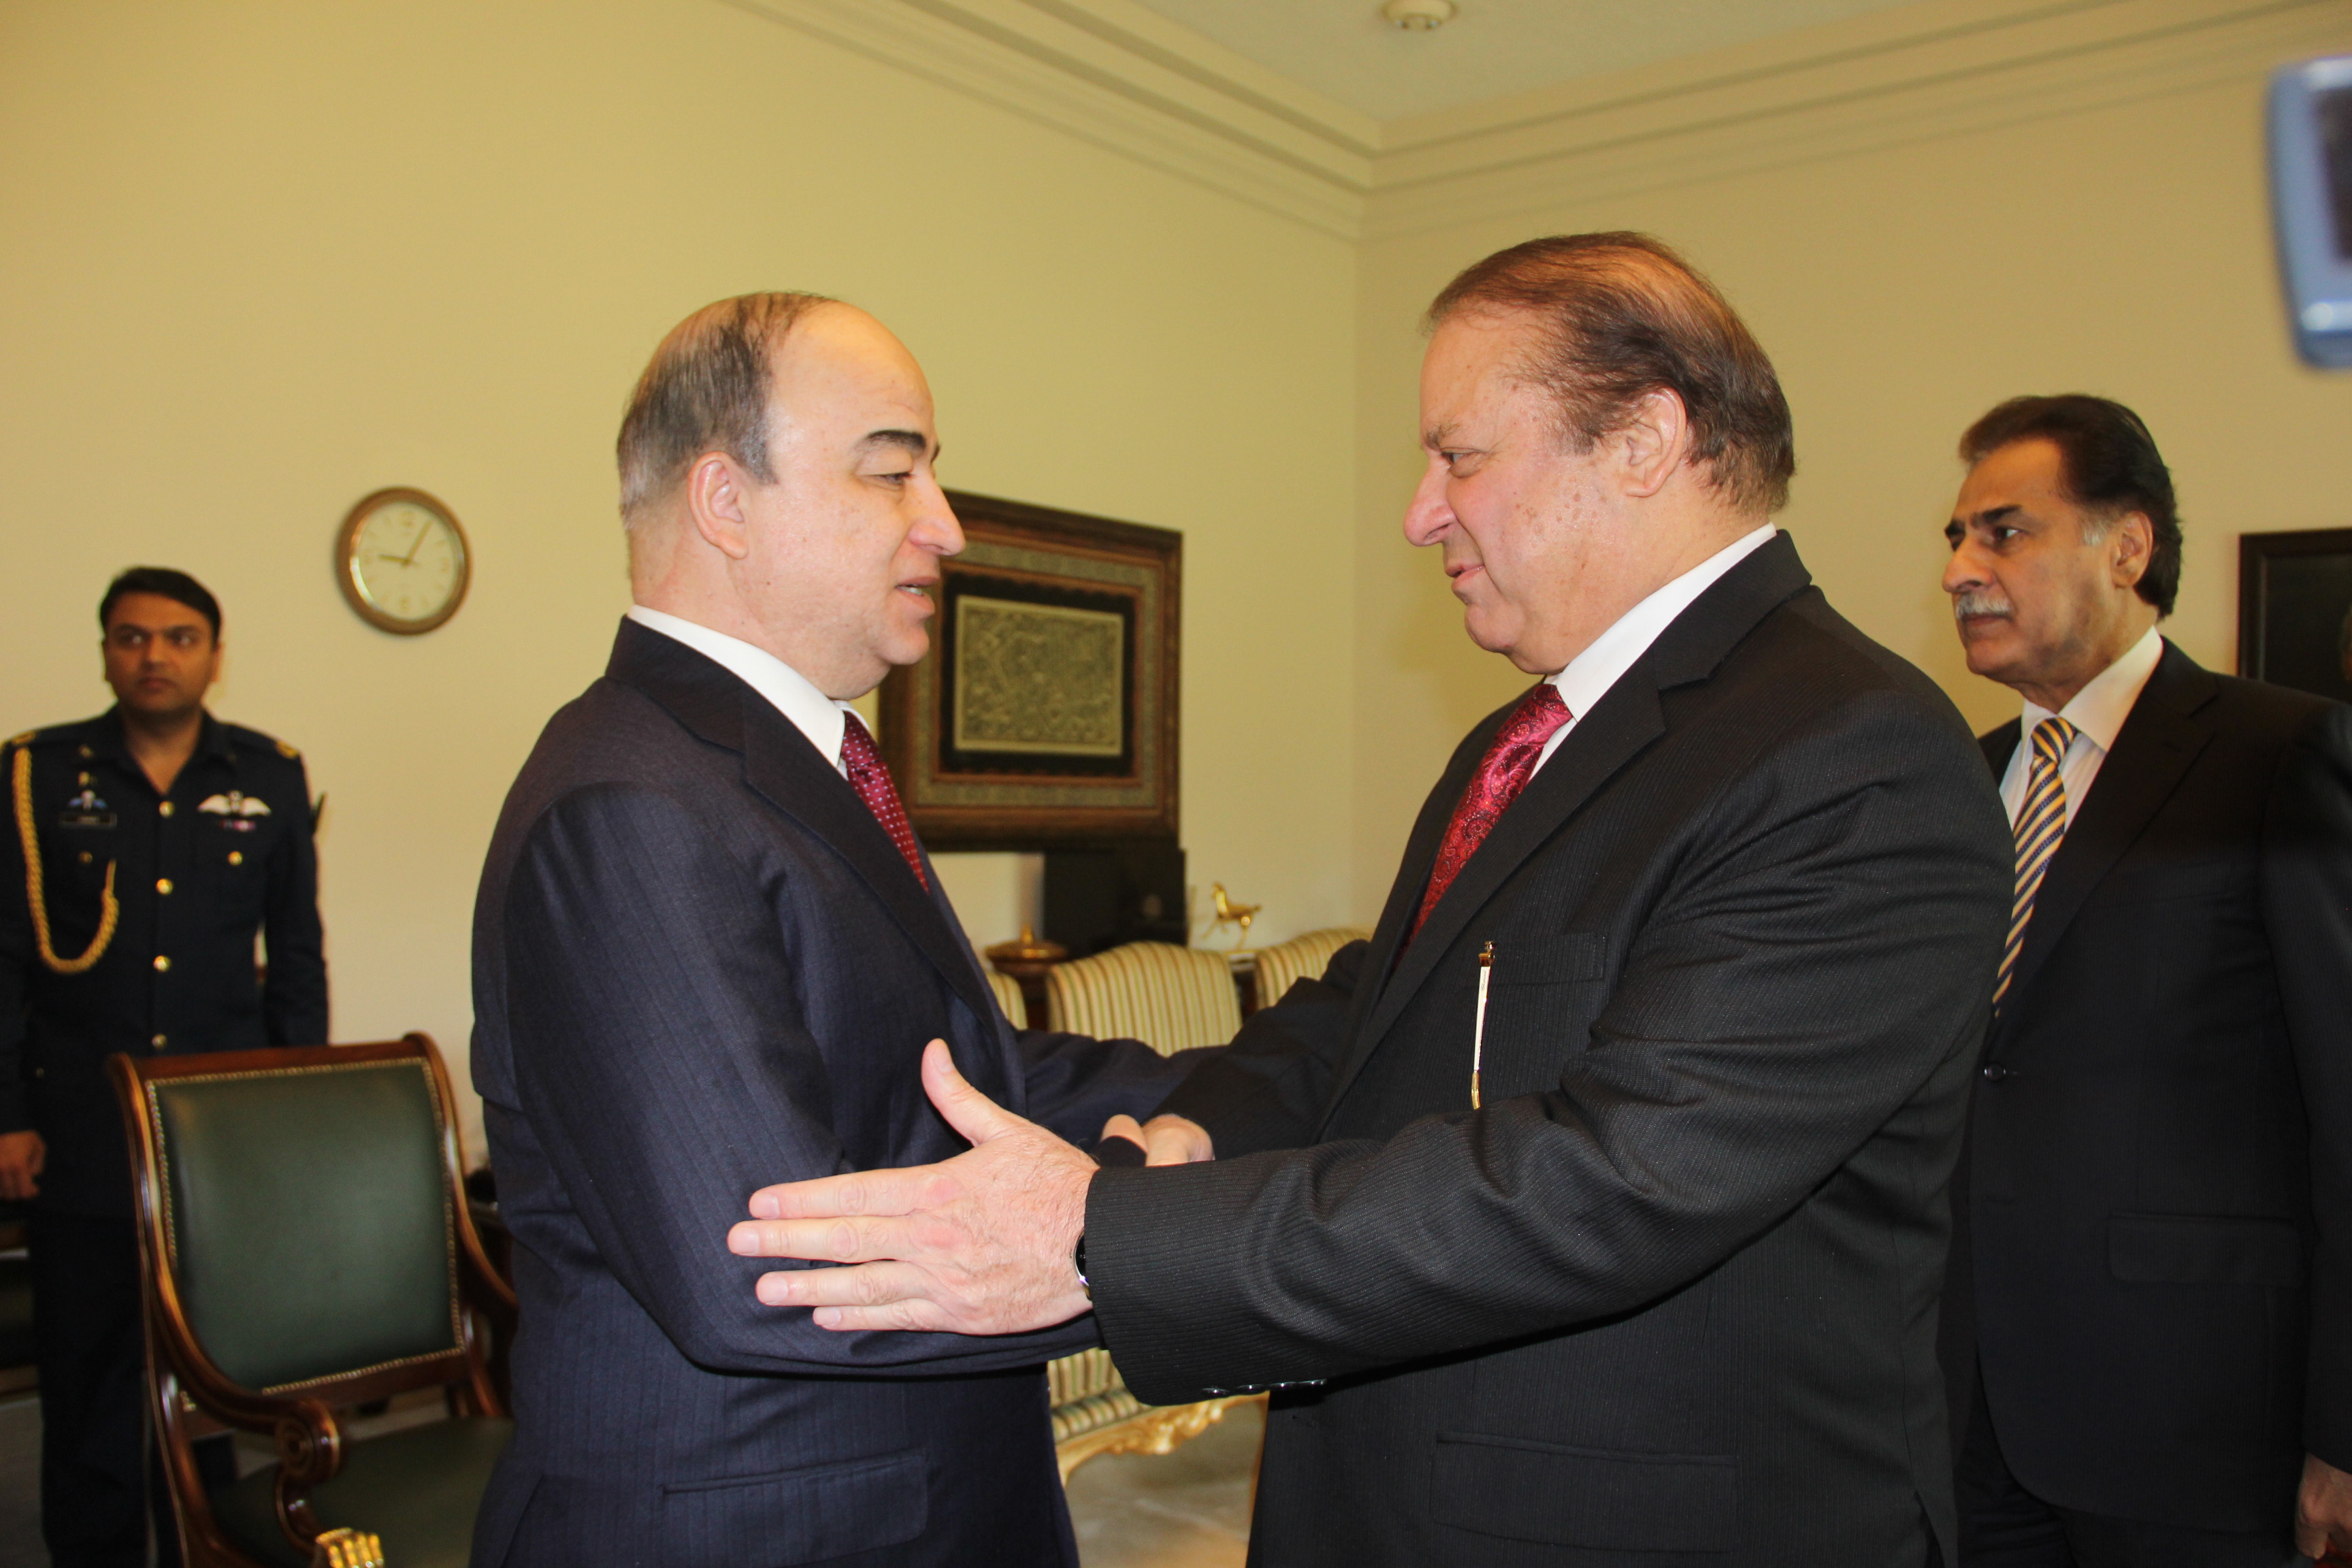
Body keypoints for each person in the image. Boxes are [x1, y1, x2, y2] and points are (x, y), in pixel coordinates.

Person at [727, 234, 2016, 1566]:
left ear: (1641, 441)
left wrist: (1105, 1240)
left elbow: (1616, 1178)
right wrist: (1197, 1131)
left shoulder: (1851, 752)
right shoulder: (1529, 737)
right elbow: (1379, 1010)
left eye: (1460, 456)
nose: (1420, 513)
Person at [465, 292, 1201, 1567]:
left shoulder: (790, 767)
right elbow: (768, 1265)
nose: (946, 523)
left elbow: (950, 1081)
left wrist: (1242, 1102)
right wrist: (1156, 1241)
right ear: (725, 501)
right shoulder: (630, 805)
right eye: (892, 471)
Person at [1934, 395, 2352, 1565]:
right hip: (1966, 1414)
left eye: (2005, 532)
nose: (1962, 569)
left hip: (2197, 1425)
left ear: (2127, 547)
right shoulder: (1950, 785)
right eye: (1956, 539)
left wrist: (2346, 1428)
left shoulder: (2278, 754)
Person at [1, 568, 326, 1568]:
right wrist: (7, 1113)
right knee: (88, 1378)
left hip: (216, 1137)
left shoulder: (268, 775)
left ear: (213, 658)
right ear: (106, 652)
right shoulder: (37, 774)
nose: (155, 656)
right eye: (133, 637)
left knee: (213, 1377)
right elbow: (6, 960)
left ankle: (209, 1548)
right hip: (81, 1131)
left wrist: (302, 1116)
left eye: (180, 638)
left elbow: (296, 959)